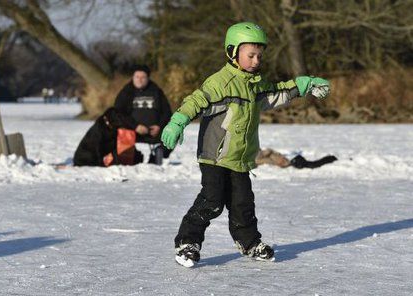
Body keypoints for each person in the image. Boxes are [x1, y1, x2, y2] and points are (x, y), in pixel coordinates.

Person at [161, 22, 330, 267]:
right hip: (215, 157)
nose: (256, 60)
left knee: (243, 203)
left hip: (241, 158)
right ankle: (188, 243)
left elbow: (276, 93)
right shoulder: (221, 82)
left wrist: (305, 84)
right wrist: (177, 121)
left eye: (259, 55)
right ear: (232, 52)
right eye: (250, 55)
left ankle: (249, 243)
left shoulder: (256, 84)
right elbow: (196, 101)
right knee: (212, 200)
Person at [114, 65, 172, 164]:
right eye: (137, 77)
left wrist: (159, 126)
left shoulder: (156, 91)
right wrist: (135, 126)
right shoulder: (126, 92)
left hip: (154, 131)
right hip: (132, 131)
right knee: (116, 129)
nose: (139, 80)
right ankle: (132, 156)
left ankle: (159, 153)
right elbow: (118, 113)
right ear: (133, 78)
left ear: (148, 78)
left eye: (143, 77)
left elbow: (167, 112)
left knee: (175, 130)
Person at [73, 107, 143, 167]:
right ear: (110, 118)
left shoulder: (113, 127)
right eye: (118, 117)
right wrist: (101, 165)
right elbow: (97, 147)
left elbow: (114, 147)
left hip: (96, 157)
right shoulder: (99, 128)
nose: (121, 120)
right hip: (83, 160)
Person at [256, 148, 337, 169]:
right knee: (312, 164)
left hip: (293, 159)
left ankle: (331, 158)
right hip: (292, 160)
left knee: (312, 164)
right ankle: (331, 158)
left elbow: (268, 152)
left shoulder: (263, 155)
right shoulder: (262, 158)